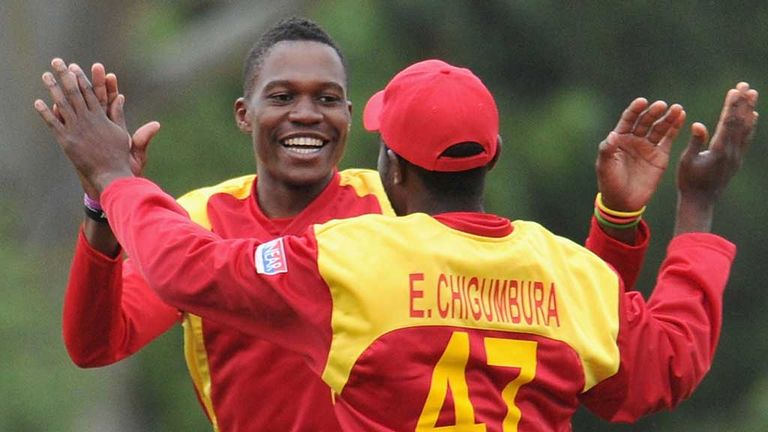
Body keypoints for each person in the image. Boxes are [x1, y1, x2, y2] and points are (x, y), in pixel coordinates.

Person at [38, 56, 757, 429]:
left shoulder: (354, 256)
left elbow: (181, 267)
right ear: (493, 156)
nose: (306, 114)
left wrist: (110, 177)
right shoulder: (564, 266)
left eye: (328, 97)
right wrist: (693, 205)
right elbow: (653, 369)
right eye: (282, 95)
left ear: (390, 166)